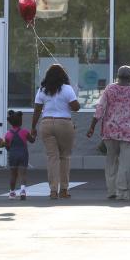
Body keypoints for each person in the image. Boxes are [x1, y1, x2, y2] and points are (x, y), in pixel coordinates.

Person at [86, 65, 130, 201]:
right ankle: (122, 192)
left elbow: (100, 108)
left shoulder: (109, 89)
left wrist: (92, 126)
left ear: (118, 76)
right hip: (128, 132)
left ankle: (111, 191)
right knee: (125, 163)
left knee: (111, 161)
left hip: (109, 130)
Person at [30, 64, 80, 199]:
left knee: (52, 157)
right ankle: (64, 190)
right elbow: (76, 107)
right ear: (63, 75)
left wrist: (33, 127)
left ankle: (53, 191)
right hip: (64, 123)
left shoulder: (42, 89)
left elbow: (37, 110)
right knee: (64, 157)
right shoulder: (67, 89)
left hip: (46, 123)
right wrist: (73, 97)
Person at [0, 110, 35, 200]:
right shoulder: (25, 132)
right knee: (23, 174)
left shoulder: (8, 134)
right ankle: (22, 191)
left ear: (10, 122)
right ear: (20, 121)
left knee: (13, 174)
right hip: (23, 154)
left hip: (13, 155)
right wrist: (35, 135)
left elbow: (7, 147)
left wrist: (2, 144)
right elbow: (32, 140)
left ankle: (12, 192)